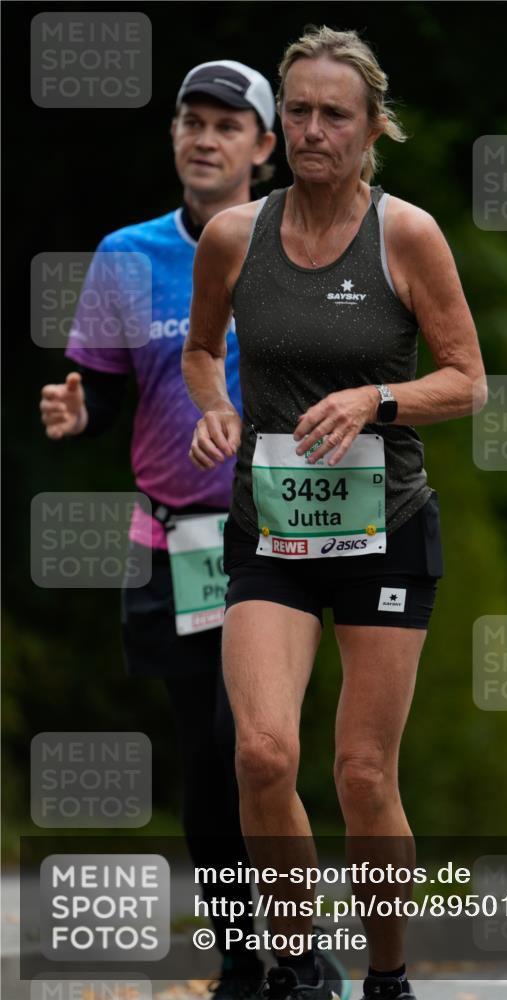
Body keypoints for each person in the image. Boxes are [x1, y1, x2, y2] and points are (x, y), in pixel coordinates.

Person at [183, 26, 486, 1000]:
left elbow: (468, 382)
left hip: (381, 526)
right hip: (268, 524)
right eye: (300, 112)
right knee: (263, 751)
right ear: (280, 124)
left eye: (335, 115)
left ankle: (387, 972)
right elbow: (200, 350)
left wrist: (373, 400)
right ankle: (298, 956)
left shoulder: (407, 234)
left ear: (370, 131)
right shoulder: (235, 236)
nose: (314, 130)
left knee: (362, 774)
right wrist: (219, 410)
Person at [39, 60, 277, 1000]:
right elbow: (99, 385)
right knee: (207, 756)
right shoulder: (125, 254)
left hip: (280, 537)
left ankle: (287, 946)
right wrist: (76, 412)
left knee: (253, 744)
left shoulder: (296, 246)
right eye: (192, 121)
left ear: (264, 148)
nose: (205, 138)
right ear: (175, 136)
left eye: (228, 125)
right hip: (174, 541)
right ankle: (238, 958)